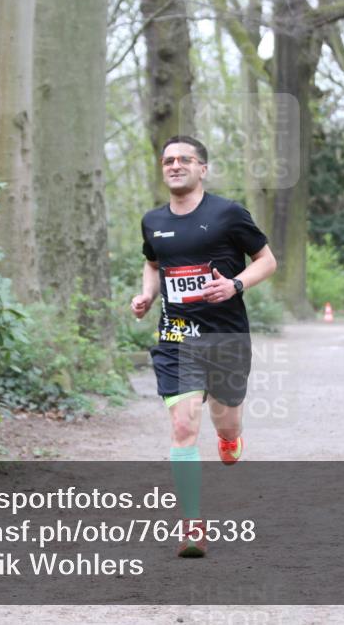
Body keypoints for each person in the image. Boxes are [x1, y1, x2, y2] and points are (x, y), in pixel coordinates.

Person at [131, 135, 277, 557]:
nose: (174, 166)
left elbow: (267, 260)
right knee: (183, 427)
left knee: (225, 420)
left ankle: (230, 438)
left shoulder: (228, 214)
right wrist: (147, 295)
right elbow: (154, 262)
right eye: (168, 161)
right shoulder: (152, 220)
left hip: (225, 335)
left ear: (202, 168)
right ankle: (192, 525)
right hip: (177, 336)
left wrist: (235, 284)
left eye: (184, 160)